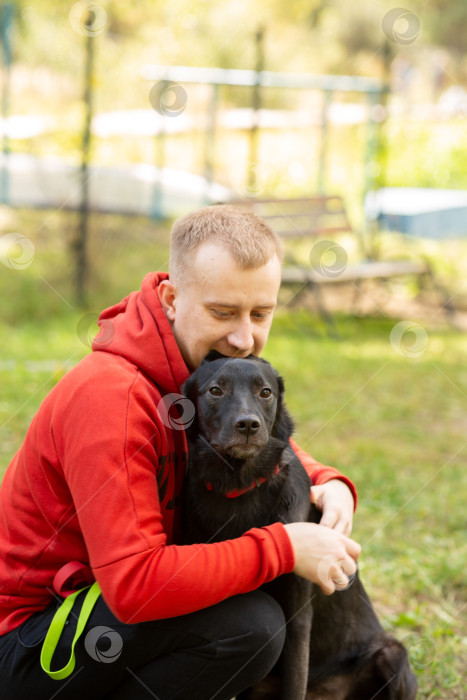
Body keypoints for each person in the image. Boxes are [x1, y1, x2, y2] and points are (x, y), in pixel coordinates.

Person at [0, 205, 361, 700]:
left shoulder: (190, 376)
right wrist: (284, 547)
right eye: (222, 312)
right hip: (29, 642)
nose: (242, 338)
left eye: (261, 314)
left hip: (92, 608)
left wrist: (325, 479)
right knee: (247, 627)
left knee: (248, 615)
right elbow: (133, 586)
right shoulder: (113, 397)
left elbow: (249, 432)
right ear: (171, 298)